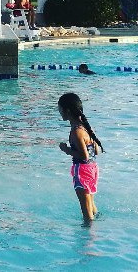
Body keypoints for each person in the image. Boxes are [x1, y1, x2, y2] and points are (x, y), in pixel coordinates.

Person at [57, 92, 103, 223]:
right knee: (91, 206)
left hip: (82, 170)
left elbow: (84, 156)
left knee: (86, 213)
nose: (59, 112)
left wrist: (66, 150)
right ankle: (99, 228)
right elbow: (96, 151)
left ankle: (89, 234)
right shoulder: (86, 127)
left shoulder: (76, 132)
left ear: (67, 111)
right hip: (93, 168)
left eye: (60, 109)